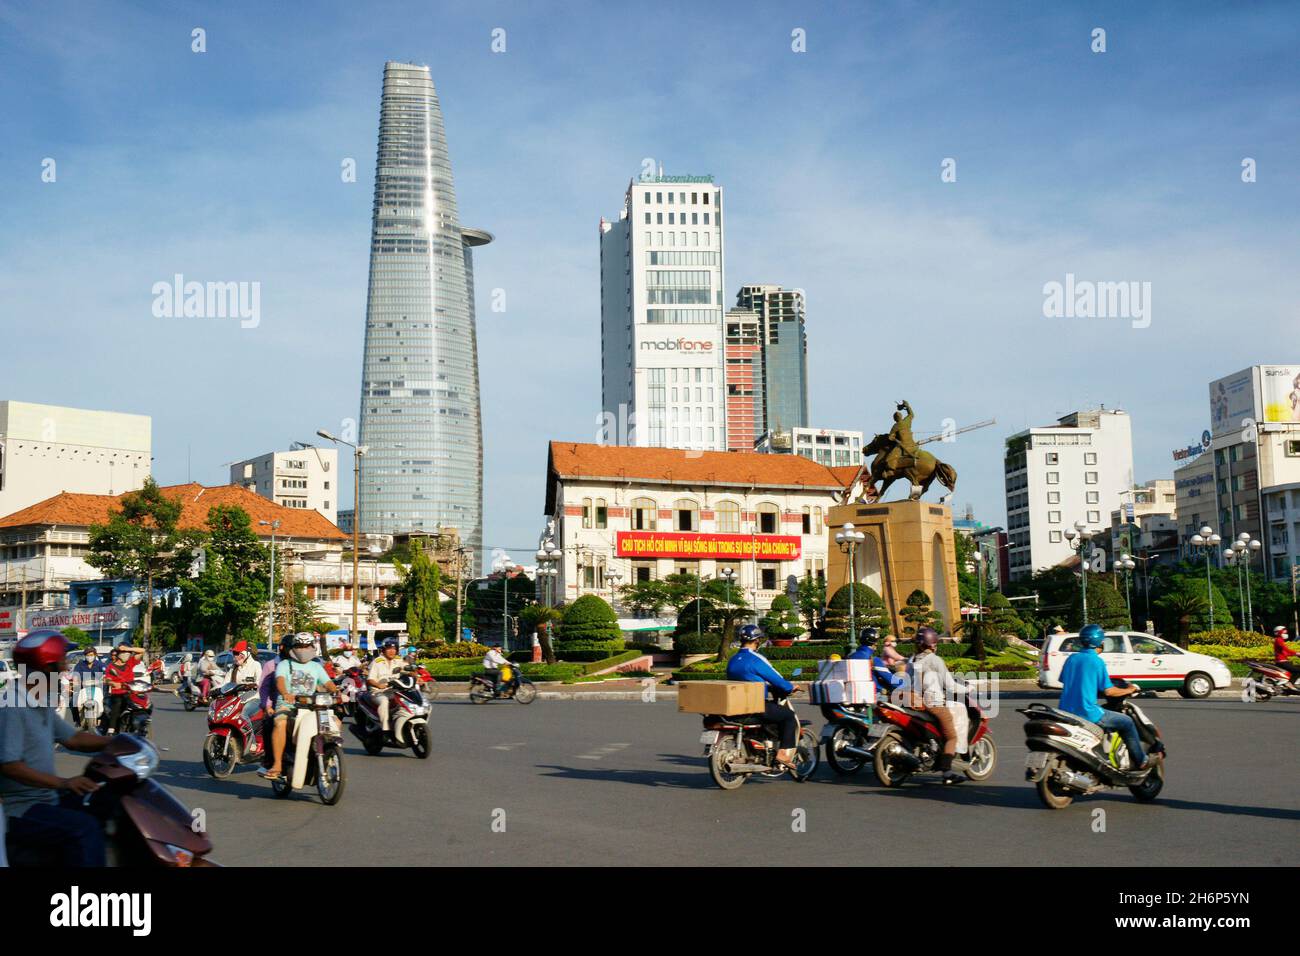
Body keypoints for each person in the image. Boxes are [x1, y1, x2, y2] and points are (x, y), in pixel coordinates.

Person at [1, 630, 114, 866]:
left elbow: (73, 738)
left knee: (108, 801)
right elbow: (10, 765)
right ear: (45, 669)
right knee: (85, 829)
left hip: (46, 797)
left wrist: (119, 742)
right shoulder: (12, 705)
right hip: (22, 808)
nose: (65, 670)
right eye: (61, 664)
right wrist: (64, 783)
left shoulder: (39, 701)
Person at [1058, 623, 1149, 772]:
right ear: (1099, 642)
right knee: (1127, 722)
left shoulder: (1071, 659)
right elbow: (1109, 692)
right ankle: (1140, 760)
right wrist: (1129, 689)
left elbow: (1067, 681)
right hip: (1088, 713)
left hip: (1065, 712)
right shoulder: (1096, 661)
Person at [259, 633, 336, 781]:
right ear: (293, 648)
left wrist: (337, 692)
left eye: (306, 646)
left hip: (313, 706)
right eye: (299, 646)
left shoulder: (316, 666)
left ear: (312, 647)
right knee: (279, 723)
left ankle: (329, 754)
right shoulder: (283, 665)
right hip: (288, 705)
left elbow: (328, 683)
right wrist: (285, 693)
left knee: (335, 723)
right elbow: (280, 681)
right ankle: (277, 765)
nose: (303, 650)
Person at [725, 624, 800, 771]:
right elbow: (777, 679)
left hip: (735, 705)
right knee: (788, 715)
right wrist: (790, 687)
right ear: (757, 641)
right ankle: (783, 753)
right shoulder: (756, 659)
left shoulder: (733, 659)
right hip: (755, 705)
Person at [907, 627, 966, 785]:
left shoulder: (912, 659)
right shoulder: (935, 660)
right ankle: (947, 772)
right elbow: (951, 686)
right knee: (952, 737)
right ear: (932, 644)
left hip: (910, 703)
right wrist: (970, 688)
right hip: (933, 703)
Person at [101, 644, 145, 735]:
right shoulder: (111, 667)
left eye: (128, 653)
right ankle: (111, 730)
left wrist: (128, 648)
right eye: (124, 652)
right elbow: (107, 679)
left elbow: (142, 650)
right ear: (118, 654)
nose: (127, 654)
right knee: (117, 705)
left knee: (142, 702)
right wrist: (113, 683)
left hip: (131, 692)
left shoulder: (130, 662)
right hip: (117, 693)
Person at [365, 640, 406, 731]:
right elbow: (370, 679)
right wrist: (378, 685)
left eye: (394, 649)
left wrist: (416, 675)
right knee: (384, 702)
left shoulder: (398, 661)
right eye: (389, 649)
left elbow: (408, 669)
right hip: (378, 692)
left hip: (394, 691)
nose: (392, 651)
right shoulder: (377, 662)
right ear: (383, 650)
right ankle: (385, 729)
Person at [69, 648, 105, 725]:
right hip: (82, 687)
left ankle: (102, 721)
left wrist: (105, 679)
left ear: (95, 655)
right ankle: (77, 720)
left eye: (91, 655)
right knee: (72, 702)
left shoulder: (100, 665)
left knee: (106, 702)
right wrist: (75, 682)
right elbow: (75, 675)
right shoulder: (80, 664)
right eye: (87, 655)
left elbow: (106, 674)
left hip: (98, 688)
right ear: (85, 656)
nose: (89, 657)